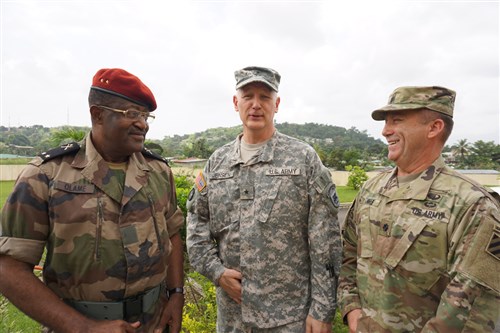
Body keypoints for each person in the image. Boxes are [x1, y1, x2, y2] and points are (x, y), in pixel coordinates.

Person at [0, 68, 185, 333]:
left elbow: (173, 232)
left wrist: (176, 293)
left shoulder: (157, 171)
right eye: (131, 114)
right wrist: (84, 327)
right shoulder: (45, 175)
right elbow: (9, 268)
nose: (142, 123)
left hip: (154, 323)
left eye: (145, 116)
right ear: (98, 114)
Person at [186, 66, 342, 333]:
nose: (256, 105)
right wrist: (216, 272)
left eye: (265, 97)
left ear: (277, 104)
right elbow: (196, 225)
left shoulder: (302, 159)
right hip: (233, 317)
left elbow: (324, 240)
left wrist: (322, 309)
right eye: (248, 96)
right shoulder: (217, 163)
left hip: (289, 318)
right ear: (236, 103)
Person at [338, 86, 500, 332]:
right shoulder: (372, 189)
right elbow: (348, 253)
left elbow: (473, 309)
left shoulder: (472, 205)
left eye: (397, 120)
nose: (385, 131)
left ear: (434, 128)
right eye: (386, 122)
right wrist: (351, 308)